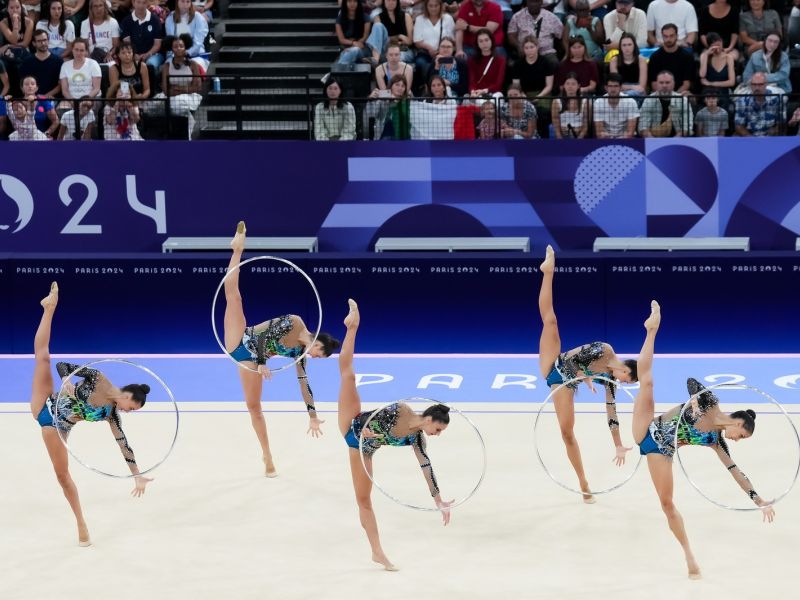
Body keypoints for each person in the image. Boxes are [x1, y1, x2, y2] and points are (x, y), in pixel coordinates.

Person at [631, 301, 775, 579]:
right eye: (741, 435)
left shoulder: (714, 439)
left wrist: (758, 500)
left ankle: (689, 557)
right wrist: (695, 402)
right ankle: (652, 330)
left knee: (667, 504)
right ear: (737, 422)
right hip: (647, 428)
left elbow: (734, 470)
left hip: (661, 451)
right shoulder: (711, 403)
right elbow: (692, 382)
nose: (738, 440)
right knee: (646, 382)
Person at [30, 282, 152, 547]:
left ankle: (80, 523)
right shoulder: (98, 378)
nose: (127, 412)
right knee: (43, 357)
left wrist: (137, 473)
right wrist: (67, 381)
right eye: (131, 408)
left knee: (63, 476)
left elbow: (123, 444)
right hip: (46, 405)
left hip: (57, 426)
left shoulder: (111, 414)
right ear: (127, 395)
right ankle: (49, 308)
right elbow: (64, 365)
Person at [337, 299, 452, 571]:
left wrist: (438, 498)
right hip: (353, 427)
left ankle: (377, 552)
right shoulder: (401, 410)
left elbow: (426, 466)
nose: (436, 435)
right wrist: (367, 431)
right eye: (438, 429)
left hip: (364, 448)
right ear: (429, 419)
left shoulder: (417, 439)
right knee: (348, 376)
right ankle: (352, 327)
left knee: (364, 501)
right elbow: (372, 419)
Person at [224, 222, 339, 476]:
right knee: (234, 296)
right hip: (243, 340)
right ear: (318, 343)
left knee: (254, 407)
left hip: (251, 360)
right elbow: (265, 335)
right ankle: (237, 250)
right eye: (318, 354)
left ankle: (267, 455)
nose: (313, 357)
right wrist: (264, 362)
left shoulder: (299, 354)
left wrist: (312, 414)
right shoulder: (295, 322)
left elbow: (303, 382)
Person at [538, 245, 637, 503]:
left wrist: (617, 442)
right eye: (629, 379)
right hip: (557, 363)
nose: (626, 383)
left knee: (567, 433)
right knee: (551, 321)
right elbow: (576, 356)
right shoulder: (605, 350)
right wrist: (586, 376)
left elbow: (611, 412)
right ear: (626, 368)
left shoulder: (611, 382)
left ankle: (583, 483)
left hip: (563, 383)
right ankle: (548, 272)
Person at [314, 76, 357, 140]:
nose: (332, 91)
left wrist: (339, 145)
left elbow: (349, 131)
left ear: (340, 90)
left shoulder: (348, 107)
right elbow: (319, 130)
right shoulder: (319, 107)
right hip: (326, 143)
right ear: (326, 90)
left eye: (335, 88)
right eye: (330, 88)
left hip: (345, 142)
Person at [609, 32, 647, 99]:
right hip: (621, 92)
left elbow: (641, 87)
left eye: (629, 44)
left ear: (634, 45)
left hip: (637, 93)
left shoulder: (642, 60)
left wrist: (626, 88)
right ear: (620, 47)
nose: (627, 48)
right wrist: (632, 87)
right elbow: (615, 85)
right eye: (624, 45)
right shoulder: (614, 60)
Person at [551, 72, 588, 138]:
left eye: (573, 84)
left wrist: (579, 140)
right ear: (564, 86)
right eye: (567, 84)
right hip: (562, 137)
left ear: (578, 86)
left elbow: (585, 126)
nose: (570, 86)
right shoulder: (556, 101)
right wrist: (561, 141)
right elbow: (556, 126)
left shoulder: (585, 101)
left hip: (580, 138)